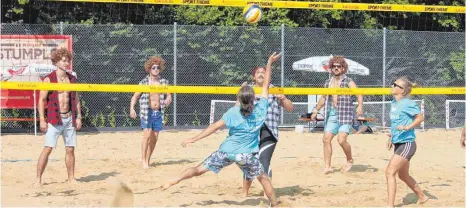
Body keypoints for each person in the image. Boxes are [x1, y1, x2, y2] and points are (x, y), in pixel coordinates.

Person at [161, 52, 281, 207]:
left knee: (198, 170)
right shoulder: (260, 111)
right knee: (264, 179)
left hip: (226, 151)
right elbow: (266, 85)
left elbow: (213, 127)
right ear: (253, 99)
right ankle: (275, 204)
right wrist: (269, 63)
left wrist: (193, 139)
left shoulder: (232, 112)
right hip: (245, 155)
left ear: (239, 99)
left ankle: (175, 180)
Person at [241, 66, 293, 197]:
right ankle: (245, 192)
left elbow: (290, 108)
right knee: (249, 161)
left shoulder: (274, 90)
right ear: (254, 77)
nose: (260, 74)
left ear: (267, 75)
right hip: (251, 131)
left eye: (263, 72)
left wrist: (283, 99)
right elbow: (237, 109)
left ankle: (267, 193)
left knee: (264, 160)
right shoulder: (248, 91)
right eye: (257, 72)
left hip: (269, 130)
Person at [34, 47, 82, 188]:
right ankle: (38, 179)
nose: (67, 63)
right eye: (64, 61)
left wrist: (79, 116)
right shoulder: (49, 79)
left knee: (70, 149)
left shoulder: (72, 79)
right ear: (56, 62)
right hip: (55, 119)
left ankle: (71, 178)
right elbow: (41, 100)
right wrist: (42, 119)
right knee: (48, 148)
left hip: (69, 119)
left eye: (68, 61)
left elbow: (77, 99)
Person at [311, 56, 363, 174]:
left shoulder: (348, 81)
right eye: (333, 66)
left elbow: (359, 94)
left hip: (345, 114)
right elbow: (323, 98)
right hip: (332, 114)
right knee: (326, 139)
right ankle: (328, 166)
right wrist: (315, 110)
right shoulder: (327, 82)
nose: (336, 68)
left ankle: (349, 159)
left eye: (338, 66)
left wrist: (360, 106)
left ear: (343, 68)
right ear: (330, 68)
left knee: (341, 140)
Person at [385, 77, 428, 207]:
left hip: (407, 144)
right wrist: (391, 137)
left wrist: (407, 127)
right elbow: (396, 123)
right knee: (403, 175)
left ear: (402, 90)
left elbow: (420, 118)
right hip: (398, 143)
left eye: (395, 84)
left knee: (389, 172)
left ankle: (389, 205)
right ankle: (422, 196)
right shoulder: (394, 103)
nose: (392, 85)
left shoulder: (407, 103)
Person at [130, 56, 172, 169]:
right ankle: (143, 161)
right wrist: (132, 108)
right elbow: (135, 96)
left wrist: (169, 99)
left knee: (155, 138)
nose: (156, 69)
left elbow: (169, 95)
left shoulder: (163, 82)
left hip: (158, 113)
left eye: (158, 67)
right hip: (146, 112)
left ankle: (148, 160)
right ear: (149, 69)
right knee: (147, 136)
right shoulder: (144, 82)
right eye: (153, 67)